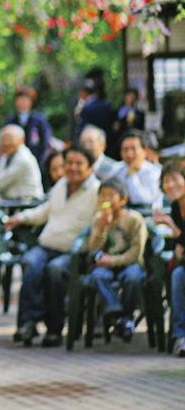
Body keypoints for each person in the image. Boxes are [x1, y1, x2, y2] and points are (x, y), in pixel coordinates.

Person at [7, 145, 100, 347]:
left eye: (79, 164)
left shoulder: (96, 192)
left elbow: (99, 226)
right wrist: (20, 218)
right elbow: (45, 211)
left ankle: (54, 329)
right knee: (30, 263)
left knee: (54, 271)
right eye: (69, 163)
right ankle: (28, 323)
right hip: (46, 245)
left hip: (73, 252)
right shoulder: (61, 185)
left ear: (90, 168)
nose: (72, 168)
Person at [79, 178, 148, 341]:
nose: (105, 200)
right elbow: (93, 248)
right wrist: (102, 227)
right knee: (98, 276)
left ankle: (125, 317)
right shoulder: (98, 218)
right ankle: (116, 313)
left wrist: (113, 260)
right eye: (102, 196)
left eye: (111, 195)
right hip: (106, 265)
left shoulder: (134, 219)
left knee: (133, 277)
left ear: (123, 199)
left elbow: (136, 253)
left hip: (130, 263)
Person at [151, 164, 185, 356]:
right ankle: (181, 336)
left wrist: (170, 224)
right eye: (166, 181)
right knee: (178, 275)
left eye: (175, 179)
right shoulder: (175, 206)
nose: (170, 185)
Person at [0, 124, 44, 201]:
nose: (6, 142)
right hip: (13, 200)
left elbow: (1, 181)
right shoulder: (9, 154)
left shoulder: (23, 158)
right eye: (4, 139)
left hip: (27, 202)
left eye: (10, 139)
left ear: (21, 140)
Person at [6, 87, 54, 165]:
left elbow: (45, 141)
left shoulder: (39, 120)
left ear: (31, 101)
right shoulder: (11, 121)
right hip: (16, 161)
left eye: (25, 100)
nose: (22, 103)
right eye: (20, 100)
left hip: (37, 160)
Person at [116, 130, 162, 210]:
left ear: (145, 151)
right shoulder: (117, 170)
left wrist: (132, 175)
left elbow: (142, 202)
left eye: (133, 149)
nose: (129, 154)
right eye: (125, 150)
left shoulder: (155, 172)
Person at [75, 79, 116, 154]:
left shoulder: (87, 107)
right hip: (108, 143)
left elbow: (82, 128)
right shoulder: (108, 105)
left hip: (91, 143)